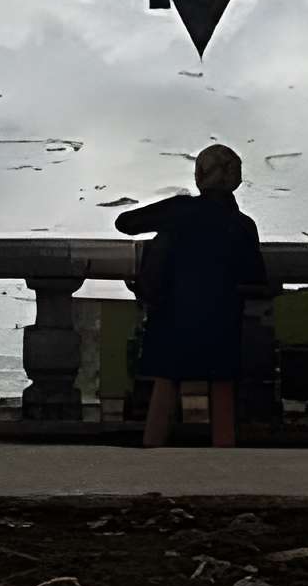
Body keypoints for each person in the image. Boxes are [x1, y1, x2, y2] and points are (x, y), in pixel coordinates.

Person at [113, 143, 270, 449]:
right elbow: (255, 278)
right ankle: (224, 459)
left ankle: (152, 451)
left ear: (199, 176)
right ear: (236, 180)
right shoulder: (243, 226)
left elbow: (125, 223)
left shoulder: (179, 211)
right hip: (222, 319)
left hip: (173, 314)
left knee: (166, 380)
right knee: (222, 385)